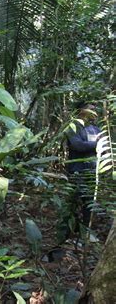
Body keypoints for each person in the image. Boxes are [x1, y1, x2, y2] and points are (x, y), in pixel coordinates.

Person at [63, 101, 101, 242]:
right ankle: (66, 235)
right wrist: (97, 144)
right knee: (73, 203)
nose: (94, 111)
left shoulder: (95, 129)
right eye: (90, 109)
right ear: (81, 110)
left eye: (94, 109)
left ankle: (85, 233)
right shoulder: (73, 127)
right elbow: (77, 145)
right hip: (77, 170)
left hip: (92, 171)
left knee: (89, 204)